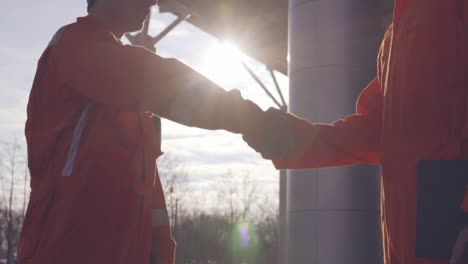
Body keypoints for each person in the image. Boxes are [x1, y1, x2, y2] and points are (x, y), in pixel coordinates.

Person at [17, 0, 291, 263]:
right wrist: (259, 123)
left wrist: (160, 253)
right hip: (67, 252)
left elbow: (147, 187)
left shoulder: (124, 95)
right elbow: (168, 85)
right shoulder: (74, 44)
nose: (152, 1)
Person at [244, 0, 468, 264]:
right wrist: (289, 138)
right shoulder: (396, 32)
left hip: (452, 228)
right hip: (410, 238)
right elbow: (377, 130)